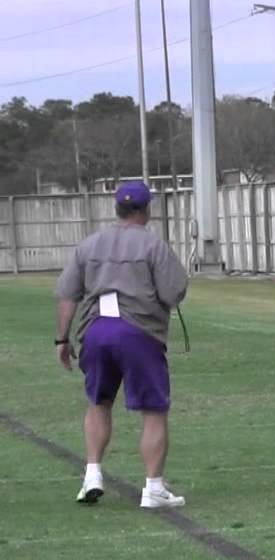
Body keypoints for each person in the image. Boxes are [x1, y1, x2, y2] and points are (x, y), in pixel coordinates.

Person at [55, 181, 189, 509]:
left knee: (98, 402)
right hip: (137, 331)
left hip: (96, 329)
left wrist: (62, 338)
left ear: (117, 209)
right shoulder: (153, 245)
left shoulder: (89, 244)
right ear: (146, 210)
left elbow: (68, 294)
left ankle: (92, 475)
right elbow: (173, 292)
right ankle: (153, 487)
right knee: (153, 410)